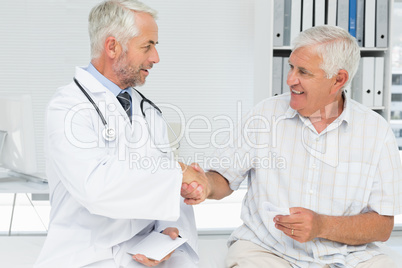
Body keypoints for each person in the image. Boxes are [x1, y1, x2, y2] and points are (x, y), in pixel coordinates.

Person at [182, 25, 402, 267]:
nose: (290, 79)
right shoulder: (265, 114)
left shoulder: (376, 132)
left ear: (338, 79)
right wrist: (205, 185)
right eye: (291, 67)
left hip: (349, 256)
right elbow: (223, 178)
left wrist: (322, 226)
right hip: (267, 251)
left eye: (304, 72)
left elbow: (382, 226)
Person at [34, 1, 207, 267]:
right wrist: (177, 175)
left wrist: (166, 233)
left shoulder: (148, 112)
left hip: (142, 254)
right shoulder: (67, 107)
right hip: (84, 255)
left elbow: (164, 189)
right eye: (147, 45)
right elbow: (96, 188)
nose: (155, 57)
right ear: (113, 46)